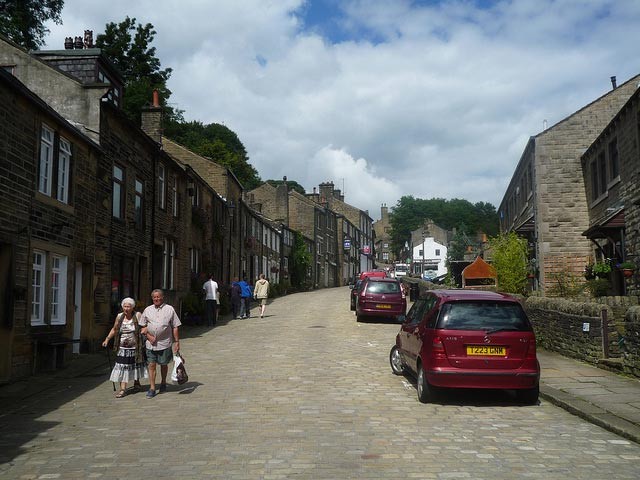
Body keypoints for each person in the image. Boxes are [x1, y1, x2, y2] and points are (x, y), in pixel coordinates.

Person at [139, 289, 181, 399]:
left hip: (165, 343)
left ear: (163, 297)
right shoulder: (147, 310)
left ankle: (163, 382)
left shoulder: (169, 309)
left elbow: (175, 326)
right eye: (154, 297)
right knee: (151, 364)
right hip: (150, 344)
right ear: (152, 298)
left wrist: (177, 342)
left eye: (158, 297)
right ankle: (152, 388)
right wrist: (149, 336)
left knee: (163, 364)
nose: (156, 299)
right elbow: (142, 326)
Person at [102, 297, 147, 398]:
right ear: (122, 307)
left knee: (135, 365)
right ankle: (123, 389)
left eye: (128, 306)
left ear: (132, 307)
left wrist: (145, 331)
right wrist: (107, 339)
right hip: (122, 348)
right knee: (123, 368)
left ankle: (136, 382)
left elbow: (144, 326)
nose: (126, 308)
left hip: (135, 347)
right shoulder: (119, 316)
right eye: (125, 306)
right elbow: (114, 329)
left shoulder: (137, 315)